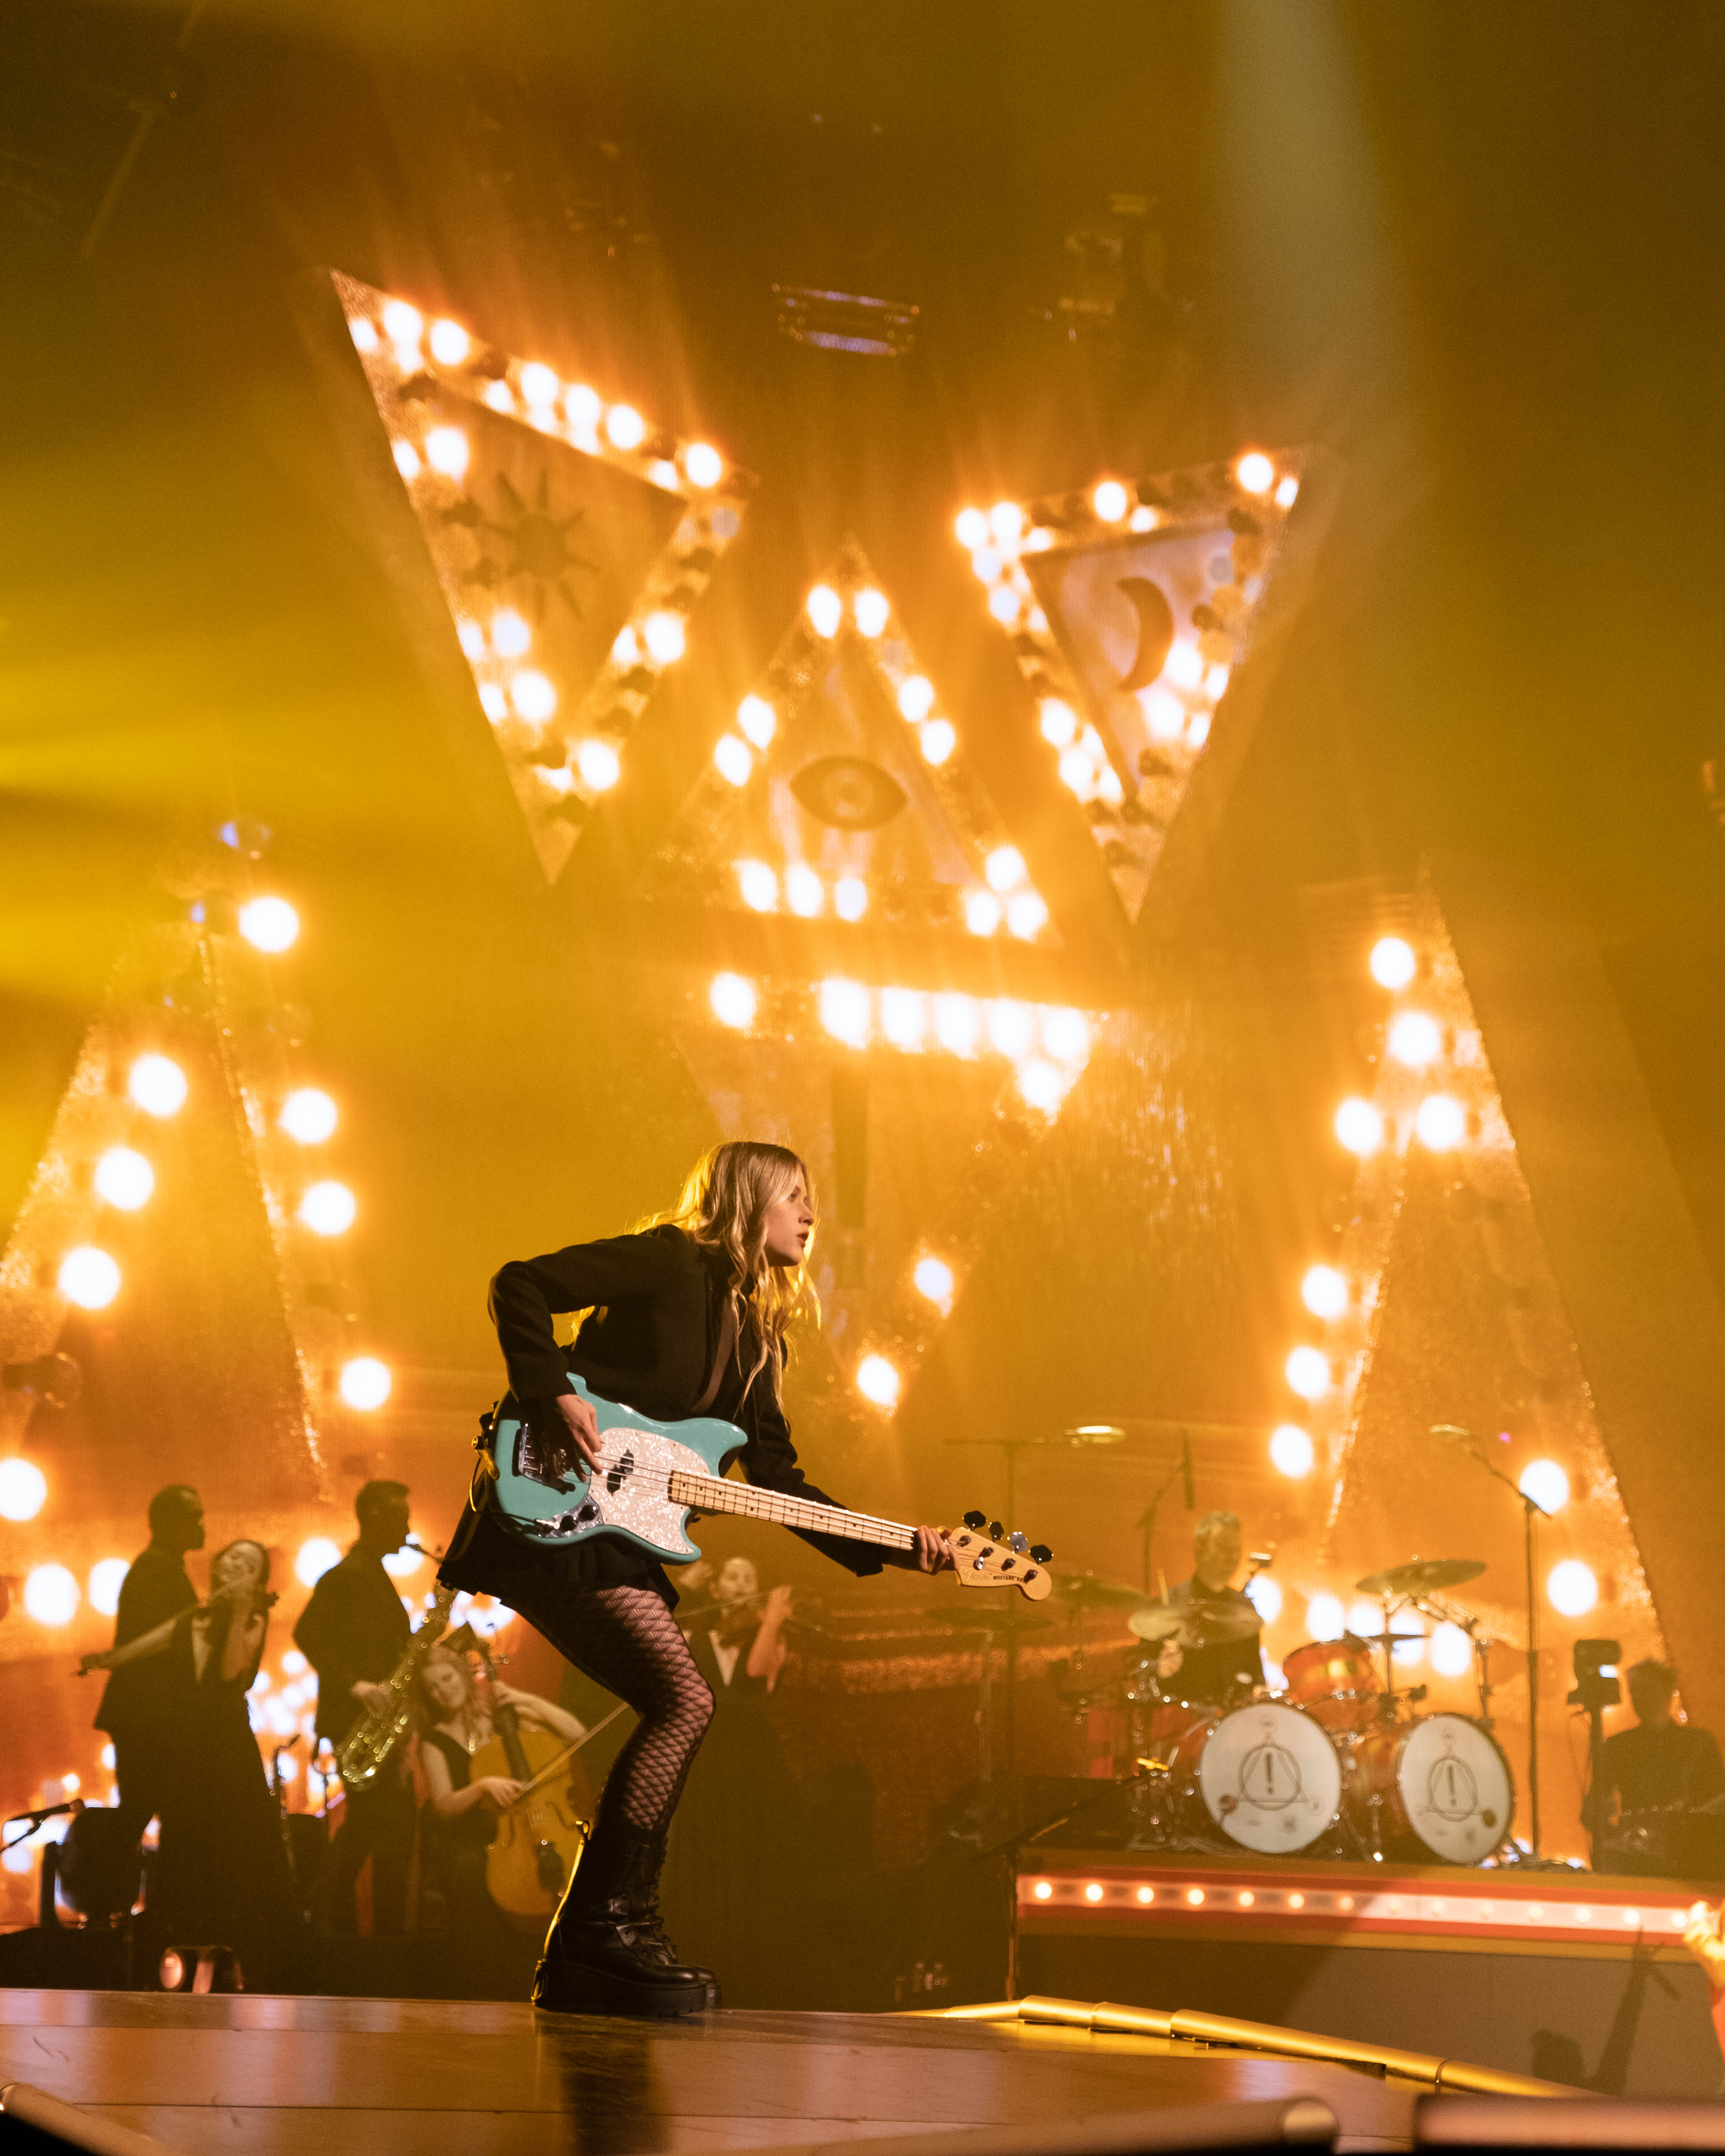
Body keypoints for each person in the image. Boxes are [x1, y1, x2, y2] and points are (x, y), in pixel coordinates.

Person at [439, 1138, 955, 2018]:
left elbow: (779, 1484)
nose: (810, 1214)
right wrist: (550, 1390)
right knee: (684, 1700)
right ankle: (603, 1929)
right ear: (748, 1198)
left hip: (621, 1535)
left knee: (677, 1703)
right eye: (793, 1195)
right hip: (555, 1504)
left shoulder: (761, 1339)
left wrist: (899, 1544)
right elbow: (518, 1283)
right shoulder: (669, 1260)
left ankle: (600, 1938)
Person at [82, 1539, 296, 1973]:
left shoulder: (255, 1617)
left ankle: (246, 1955)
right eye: (233, 1556)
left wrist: (239, 1611)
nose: (237, 1564)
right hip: (183, 1740)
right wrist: (107, 1659)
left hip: (226, 1745)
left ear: (258, 1580)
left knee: (235, 1839)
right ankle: (175, 1948)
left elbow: (230, 1673)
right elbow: (153, 1642)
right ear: (218, 1564)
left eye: (250, 1564)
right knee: (182, 1836)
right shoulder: (194, 1614)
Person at [660, 1554, 799, 2004]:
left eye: (748, 1578)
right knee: (701, 1857)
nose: (740, 1584)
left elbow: (754, 1677)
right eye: (732, 1577)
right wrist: (682, 1590)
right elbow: (656, 1644)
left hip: (753, 1768)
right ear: (716, 1588)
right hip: (704, 1764)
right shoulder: (693, 1636)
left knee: (748, 1860)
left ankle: (747, 1968)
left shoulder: (772, 1638)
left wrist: (772, 1621)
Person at [293, 1480, 417, 1934]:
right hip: (356, 1721)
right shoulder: (346, 1575)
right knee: (377, 1826)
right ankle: (329, 1917)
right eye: (401, 1519)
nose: (408, 1529)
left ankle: (338, 1921)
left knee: (381, 1827)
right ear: (376, 1518)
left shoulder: (372, 1573)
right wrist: (355, 1686)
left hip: (377, 1720)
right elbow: (307, 1633)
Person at [416, 1644, 586, 1941]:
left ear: (463, 1674)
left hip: (536, 1822)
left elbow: (577, 1734)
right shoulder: (434, 1741)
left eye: (447, 1678)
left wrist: (525, 1699)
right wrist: (481, 1786)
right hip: (478, 1838)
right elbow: (443, 1806)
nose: (443, 1690)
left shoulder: (503, 1714)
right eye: (433, 1687)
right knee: (470, 1868)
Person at [90, 1485, 204, 1857]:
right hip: (147, 1717)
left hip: (146, 1715)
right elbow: (166, 1647)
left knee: (150, 1809)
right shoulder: (156, 1570)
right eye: (194, 1516)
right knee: (147, 1810)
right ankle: (105, 1883)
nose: (202, 1524)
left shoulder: (158, 1567)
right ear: (170, 1522)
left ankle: (116, 1886)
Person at [1591, 1658, 1725, 1878]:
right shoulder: (1618, 1746)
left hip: (1692, 1860)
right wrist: (1620, 1838)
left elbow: (1718, 1801)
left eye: (1645, 1689)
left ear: (1667, 1691)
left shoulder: (1700, 1743)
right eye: (1634, 1691)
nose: (1638, 1698)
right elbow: (1592, 1811)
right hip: (1638, 1862)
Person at [1154, 1510, 1265, 1707]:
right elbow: (1143, 1675)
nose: (1233, 1556)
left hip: (1235, 1718)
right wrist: (1161, 1670)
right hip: (1180, 1717)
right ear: (1200, 1549)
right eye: (1224, 1547)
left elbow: (1255, 1674)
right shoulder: (1169, 1604)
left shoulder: (1244, 1607)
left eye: (1237, 1549)